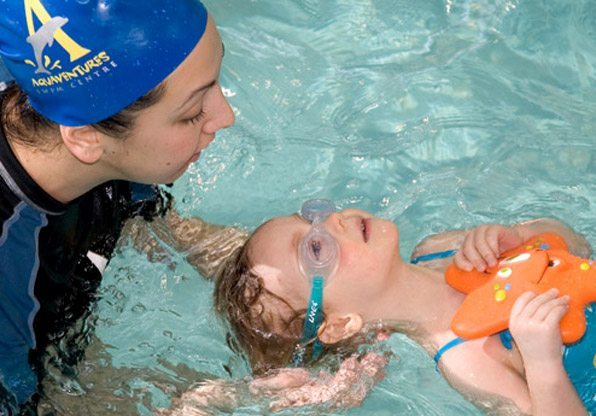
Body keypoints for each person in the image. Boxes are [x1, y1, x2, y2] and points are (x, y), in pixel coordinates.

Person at [0, 0, 247, 411]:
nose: (226, 116)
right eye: (191, 113)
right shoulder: (9, 269)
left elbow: (165, 231)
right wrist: (229, 401)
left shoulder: (87, 113)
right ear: (85, 138)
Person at [212, 199, 595, 415]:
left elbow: (575, 245)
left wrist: (521, 237)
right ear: (340, 324)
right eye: (315, 248)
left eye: (312, 215)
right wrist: (542, 363)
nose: (332, 221)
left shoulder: (439, 248)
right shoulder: (464, 360)